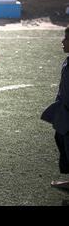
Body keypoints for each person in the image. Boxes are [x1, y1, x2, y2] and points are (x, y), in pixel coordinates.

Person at [41, 26, 69, 189]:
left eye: (66, 38)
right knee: (61, 140)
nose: (62, 41)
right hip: (63, 112)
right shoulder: (67, 61)